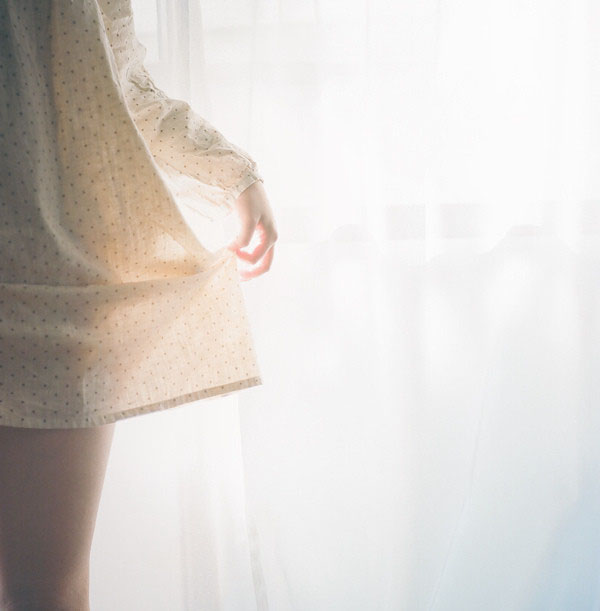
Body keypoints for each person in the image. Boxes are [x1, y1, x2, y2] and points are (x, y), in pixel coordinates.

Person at [0, 0, 277, 608]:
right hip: (58, 280)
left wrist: (234, 174)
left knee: (44, 589)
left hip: (58, 287)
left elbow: (117, 80)